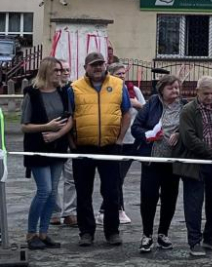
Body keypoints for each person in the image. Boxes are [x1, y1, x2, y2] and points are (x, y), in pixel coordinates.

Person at [69, 51, 132, 247]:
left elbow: (127, 112)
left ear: (106, 65)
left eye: (100, 64)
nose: (97, 68)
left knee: (112, 191)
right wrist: (72, 144)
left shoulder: (118, 85)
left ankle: (112, 232)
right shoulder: (74, 88)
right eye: (93, 65)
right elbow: (69, 116)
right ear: (85, 68)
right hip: (83, 147)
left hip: (110, 147)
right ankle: (86, 232)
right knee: (83, 192)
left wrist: (120, 139)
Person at [173, 76, 212, 256]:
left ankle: (210, 238)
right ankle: (194, 241)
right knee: (194, 203)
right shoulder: (188, 110)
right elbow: (189, 139)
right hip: (196, 163)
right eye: (205, 93)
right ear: (197, 92)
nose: (209, 97)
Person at [21, 57, 72, 250]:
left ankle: (44, 233)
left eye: (61, 70)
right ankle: (31, 233)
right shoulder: (32, 94)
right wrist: (46, 127)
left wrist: (57, 133)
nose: (60, 74)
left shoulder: (64, 91)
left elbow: (70, 119)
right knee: (44, 190)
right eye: (56, 71)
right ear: (46, 72)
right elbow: (25, 126)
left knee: (52, 193)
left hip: (57, 148)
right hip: (37, 149)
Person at [131, 74, 184, 253]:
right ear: (161, 89)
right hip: (152, 160)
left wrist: (180, 134)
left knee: (169, 198)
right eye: (171, 88)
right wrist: (149, 134)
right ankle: (147, 235)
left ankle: (163, 233)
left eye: (177, 87)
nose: (175, 91)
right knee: (149, 198)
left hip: (173, 161)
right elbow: (136, 127)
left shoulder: (184, 107)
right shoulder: (152, 104)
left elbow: (192, 129)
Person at [100, 63, 145, 226]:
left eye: (123, 73)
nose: (121, 76)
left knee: (118, 177)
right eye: (118, 74)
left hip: (130, 141)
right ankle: (109, 209)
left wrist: (136, 104)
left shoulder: (134, 91)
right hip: (111, 139)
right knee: (112, 177)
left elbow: (145, 111)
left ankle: (115, 209)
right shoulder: (108, 91)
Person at [51, 60, 77, 228]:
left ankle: (69, 213)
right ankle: (54, 212)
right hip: (51, 141)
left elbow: (73, 115)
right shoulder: (48, 91)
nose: (65, 72)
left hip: (69, 140)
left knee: (71, 178)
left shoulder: (72, 90)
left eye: (68, 70)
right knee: (52, 180)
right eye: (62, 70)